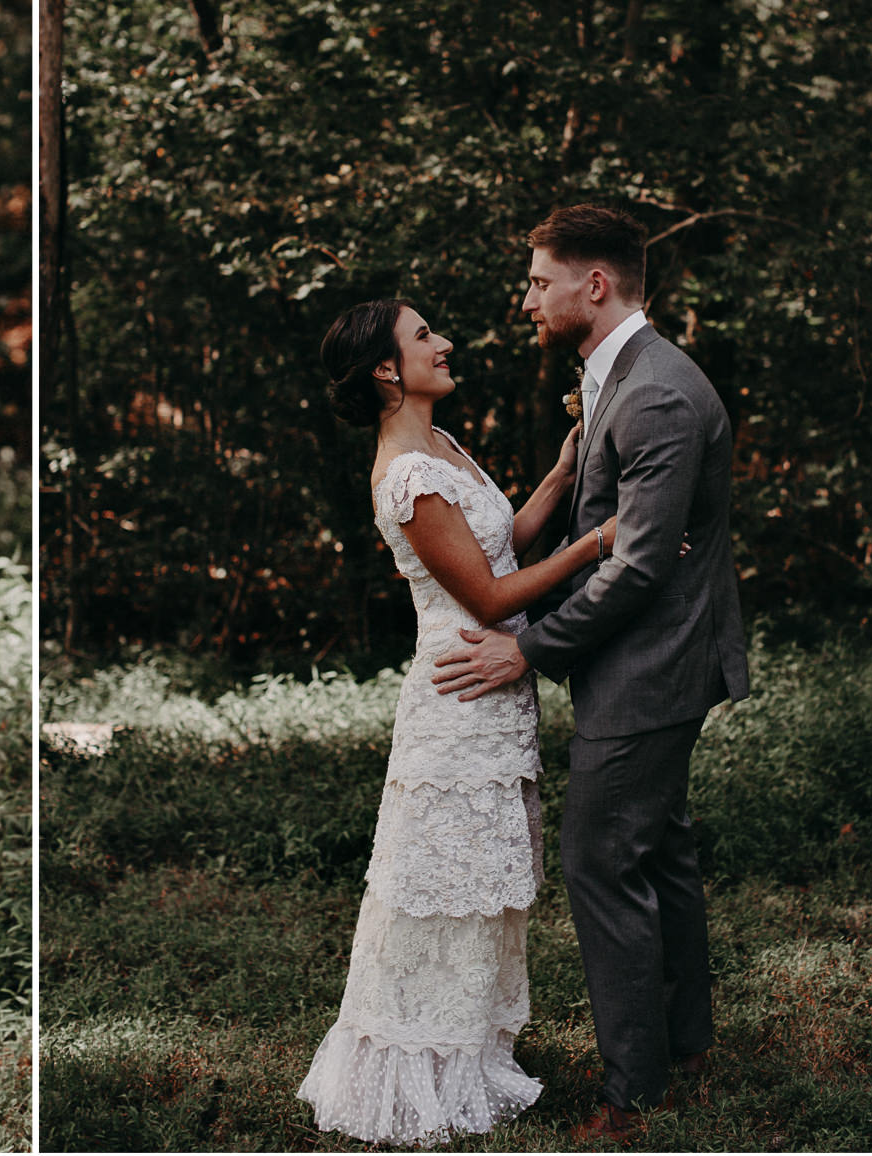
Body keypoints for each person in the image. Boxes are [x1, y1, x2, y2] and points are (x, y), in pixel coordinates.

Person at [433, 204, 748, 1143]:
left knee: (601, 862)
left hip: (652, 668)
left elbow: (642, 563)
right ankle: (685, 1044)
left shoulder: (655, 391)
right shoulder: (617, 378)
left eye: (539, 281)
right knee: (659, 850)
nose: (527, 299)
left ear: (594, 284)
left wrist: (527, 647)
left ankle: (633, 1093)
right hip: (651, 661)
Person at [299, 297, 615, 1146]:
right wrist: (598, 542)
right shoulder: (403, 474)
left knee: (480, 890)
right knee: (442, 886)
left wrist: (559, 472)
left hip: (494, 688)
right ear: (386, 370)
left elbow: (499, 544)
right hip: (459, 697)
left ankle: (467, 1047)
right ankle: (414, 1062)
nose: (445, 342)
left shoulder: (439, 446)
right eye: (424, 336)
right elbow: (488, 595)